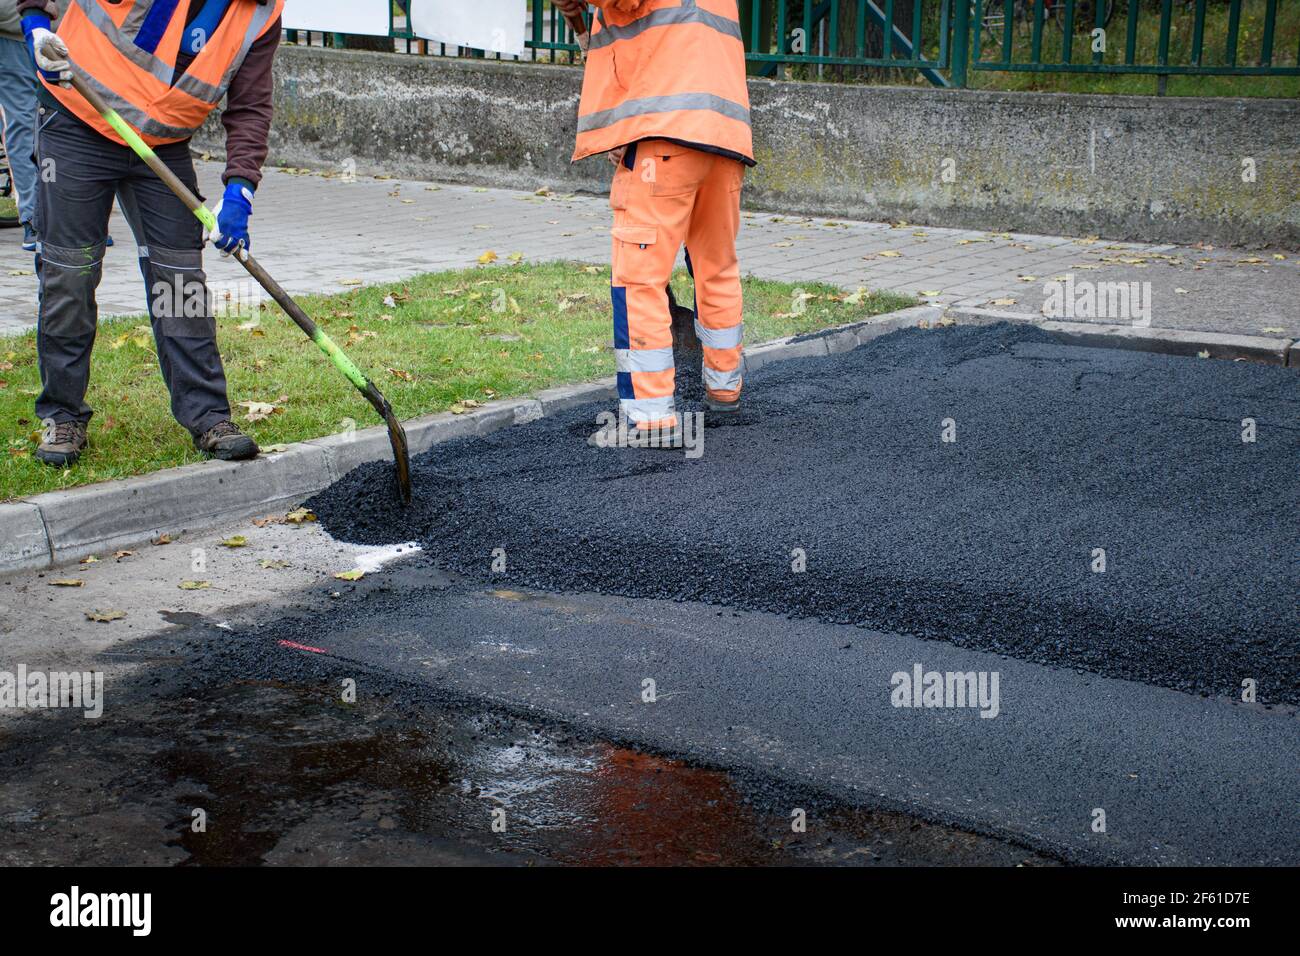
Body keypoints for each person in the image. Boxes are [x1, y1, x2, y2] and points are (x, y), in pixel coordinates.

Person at [22, 0, 283, 467]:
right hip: (76, 119)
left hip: (160, 145)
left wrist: (241, 189)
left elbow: (250, 104)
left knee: (180, 280)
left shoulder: (261, 13)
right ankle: (62, 415)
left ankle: (207, 416)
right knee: (70, 276)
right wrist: (35, 24)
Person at [554, 0, 753, 446]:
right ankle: (725, 392)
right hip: (725, 142)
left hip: (664, 143)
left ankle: (650, 416)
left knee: (639, 280)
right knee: (716, 266)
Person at [0, 0, 51, 251]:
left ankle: (67, 218)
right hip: (12, 32)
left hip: (58, 30)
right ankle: (33, 218)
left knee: (66, 123)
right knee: (22, 124)